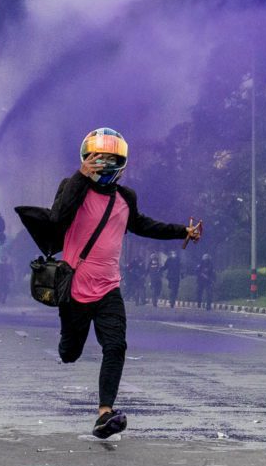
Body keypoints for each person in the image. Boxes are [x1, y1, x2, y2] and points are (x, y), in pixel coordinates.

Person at [17, 128, 201, 439]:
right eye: (93, 157)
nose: (99, 162)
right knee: (69, 352)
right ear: (85, 158)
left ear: (119, 162)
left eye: (106, 158)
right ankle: (69, 346)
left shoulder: (125, 198)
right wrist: (80, 177)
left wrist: (181, 231)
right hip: (74, 288)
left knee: (115, 346)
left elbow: (144, 225)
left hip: (108, 288)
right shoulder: (72, 186)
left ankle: (105, 414)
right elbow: (58, 218)